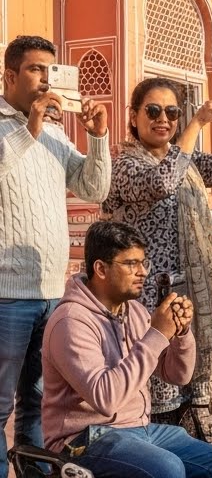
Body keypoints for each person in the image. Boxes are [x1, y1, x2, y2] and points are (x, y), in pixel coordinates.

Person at [101, 79, 212, 441]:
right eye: (152, 111)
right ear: (134, 117)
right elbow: (162, 182)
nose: (163, 119)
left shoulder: (187, 161)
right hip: (145, 302)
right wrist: (196, 124)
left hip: (187, 298)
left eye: (172, 112)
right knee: (157, 402)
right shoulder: (123, 165)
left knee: (191, 400)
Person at [0, 34, 111, 476]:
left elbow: (93, 188)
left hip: (51, 292)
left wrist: (98, 137)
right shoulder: (21, 127)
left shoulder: (54, 132)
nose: (47, 79)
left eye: (51, 70)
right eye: (35, 70)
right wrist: (31, 125)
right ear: (9, 75)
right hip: (7, 294)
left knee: (38, 404)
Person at [41, 221, 212, 478]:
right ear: (100, 268)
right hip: (84, 439)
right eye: (130, 264)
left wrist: (180, 333)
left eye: (142, 262)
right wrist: (157, 334)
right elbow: (106, 399)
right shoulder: (70, 321)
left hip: (142, 430)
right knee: (167, 470)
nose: (142, 272)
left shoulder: (133, 310)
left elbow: (178, 375)